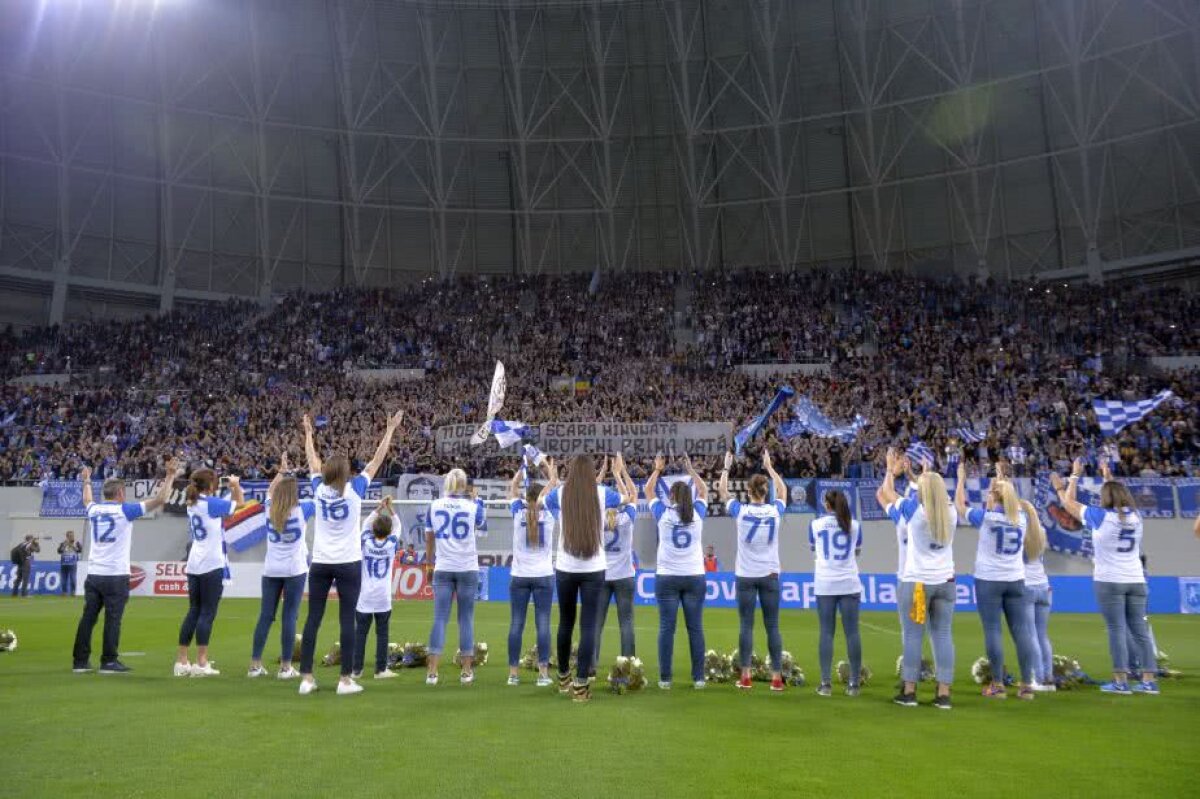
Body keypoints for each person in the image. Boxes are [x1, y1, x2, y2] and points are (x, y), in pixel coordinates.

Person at [298, 408, 404, 697]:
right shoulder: (356, 490)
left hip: (320, 562)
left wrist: (308, 434)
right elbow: (376, 461)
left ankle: (306, 678)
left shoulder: (318, 489)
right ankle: (345, 681)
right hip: (348, 563)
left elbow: (311, 460)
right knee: (347, 620)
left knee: (313, 619)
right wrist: (390, 430)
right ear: (345, 473)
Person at [1051, 458, 1159, 695]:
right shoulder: (1136, 517)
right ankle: (1149, 681)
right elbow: (1118, 496)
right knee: (1140, 630)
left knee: (1116, 629)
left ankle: (1121, 681)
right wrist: (1108, 476)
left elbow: (1068, 503)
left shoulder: (1100, 516)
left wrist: (1071, 479)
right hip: (1136, 580)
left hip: (1110, 580)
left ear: (1105, 497)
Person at [540, 453, 633, 702]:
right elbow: (629, 498)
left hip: (565, 568)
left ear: (570, 471)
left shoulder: (559, 494)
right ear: (592, 472)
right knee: (588, 626)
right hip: (594, 569)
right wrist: (618, 472)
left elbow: (542, 502)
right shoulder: (603, 493)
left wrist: (551, 476)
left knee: (565, 623)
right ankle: (581, 686)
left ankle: (562, 678)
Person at [72, 461, 178, 674]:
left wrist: (86, 480)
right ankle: (109, 661)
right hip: (115, 574)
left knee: (88, 618)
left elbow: (87, 500)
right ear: (120, 492)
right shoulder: (125, 510)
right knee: (113, 619)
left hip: (94, 573)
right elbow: (160, 499)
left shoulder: (95, 510)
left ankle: (80, 662)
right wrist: (170, 476)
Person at [955, 462, 1043, 700]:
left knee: (993, 631)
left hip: (989, 580)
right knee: (1023, 632)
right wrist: (1000, 478)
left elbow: (960, 507)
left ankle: (997, 684)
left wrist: (961, 479)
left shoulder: (988, 518)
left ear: (994, 498)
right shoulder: (1022, 518)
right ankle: (1026, 686)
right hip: (1016, 579)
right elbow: (1006, 497)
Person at [879, 448, 958, 709]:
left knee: (913, 636)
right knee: (943, 636)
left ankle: (910, 690)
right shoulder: (951, 512)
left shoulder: (915, 512)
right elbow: (933, 494)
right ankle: (944, 693)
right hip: (946, 582)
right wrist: (923, 476)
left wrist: (891, 469)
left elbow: (887, 494)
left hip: (918, 583)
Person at [718, 449, 787, 692]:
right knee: (773, 626)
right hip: (769, 575)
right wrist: (770, 468)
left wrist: (726, 467)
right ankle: (777, 678)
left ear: (748, 491)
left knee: (746, 625)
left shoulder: (742, 511)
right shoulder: (775, 511)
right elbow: (784, 491)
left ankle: (746, 676)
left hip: (746, 575)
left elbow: (723, 492)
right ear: (765, 491)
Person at [646, 453, 709, 691]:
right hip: (694, 576)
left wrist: (657, 469)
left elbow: (649, 491)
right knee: (695, 628)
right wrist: (692, 470)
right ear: (688, 496)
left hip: (667, 577)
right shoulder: (697, 514)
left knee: (666, 628)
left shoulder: (663, 514)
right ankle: (699, 678)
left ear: (671, 496)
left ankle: (665, 678)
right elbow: (704, 492)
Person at [175, 468, 242, 677]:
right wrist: (236, 486)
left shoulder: (192, 503)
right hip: (211, 564)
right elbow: (239, 505)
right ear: (211, 485)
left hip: (194, 563)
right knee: (207, 613)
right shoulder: (210, 504)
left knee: (193, 610)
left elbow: (227, 509)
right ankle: (201, 662)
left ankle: (181, 661)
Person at [248, 455, 311, 679]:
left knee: (265, 616)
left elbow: (269, 491)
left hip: (271, 569)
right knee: (289, 617)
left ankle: (255, 664)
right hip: (294, 570)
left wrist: (281, 472)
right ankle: (285, 667)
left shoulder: (269, 508)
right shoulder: (304, 510)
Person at [424, 468, 487, 686]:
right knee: (465, 619)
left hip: (443, 566)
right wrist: (478, 501)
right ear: (464, 485)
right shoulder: (473, 507)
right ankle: (466, 671)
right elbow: (482, 530)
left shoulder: (434, 505)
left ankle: (432, 672)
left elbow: (429, 539)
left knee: (440, 618)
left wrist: (429, 564)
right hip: (467, 566)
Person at [811, 488, 864, 697]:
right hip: (849, 582)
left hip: (825, 583)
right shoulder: (855, 525)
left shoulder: (815, 524)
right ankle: (854, 685)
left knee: (826, 633)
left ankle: (825, 684)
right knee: (852, 633)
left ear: (827, 504)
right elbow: (857, 551)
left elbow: (813, 548)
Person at [506, 466, 555, 687]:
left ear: (527, 497)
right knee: (543, 624)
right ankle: (543, 674)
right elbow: (556, 487)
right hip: (544, 575)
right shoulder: (551, 512)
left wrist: (521, 469)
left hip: (520, 575)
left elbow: (513, 487)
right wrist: (549, 470)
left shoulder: (518, 512)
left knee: (517, 624)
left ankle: (513, 674)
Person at [593, 458, 639, 678]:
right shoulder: (627, 517)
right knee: (626, 623)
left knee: (596, 623)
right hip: (625, 576)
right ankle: (629, 667)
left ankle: (590, 666)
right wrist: (619, 474)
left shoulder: (596, 518)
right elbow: (632, 496)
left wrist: (602, 473)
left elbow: (593, 493)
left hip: (601, 575)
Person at [354, 496, 401, 681]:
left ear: (374, 529)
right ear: (388, 531)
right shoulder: (391, 544)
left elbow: (365, 525)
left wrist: (378, 508)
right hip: (382, 597)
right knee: (382, 634)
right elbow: (398, 527)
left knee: (360, 634)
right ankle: (380, 670)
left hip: (365, 596)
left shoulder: (365, 541)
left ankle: (356, 670)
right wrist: (391, 509)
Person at [1022, 507, 1055, 692]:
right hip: (1044, 585)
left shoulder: (1019, 530)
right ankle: (1048, 678)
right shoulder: (1041, 531)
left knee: (1031, 635)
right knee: (1042, 635)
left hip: (1026, 586)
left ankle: (1038, 678)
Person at [58, 531, 82, 596]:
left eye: (72, 536)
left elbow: (80, 550)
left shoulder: (76, 543)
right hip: (64, 563)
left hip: (73, 563)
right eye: (70, 536)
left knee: (73, 578)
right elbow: (59, 551)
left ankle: (73, 591)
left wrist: (72, 545)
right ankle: (64, 592)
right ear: (67, 536)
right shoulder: (63, 543)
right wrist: (65, 545)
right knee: (64, 578)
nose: (71, 537)